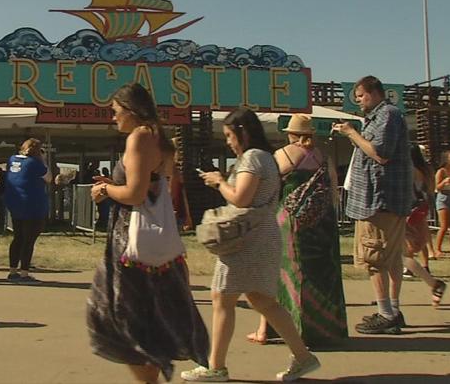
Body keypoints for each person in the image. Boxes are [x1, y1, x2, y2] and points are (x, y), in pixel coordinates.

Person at [183, 108, 321, 382]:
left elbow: (240, 199)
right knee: (263, 301)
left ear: (242, 133)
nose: (228, 141)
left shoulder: (252, 158)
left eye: (229, 135)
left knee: (222, 297)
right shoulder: (265, 158)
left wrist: (219, 181)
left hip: (246, 240)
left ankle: (215, 367)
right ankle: (303, 357)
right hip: (262, 235)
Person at [88, 83, 208, 383]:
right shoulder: (159, 137)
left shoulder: (139, 138)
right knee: (149, 317)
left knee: (122, 316)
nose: (113, 118)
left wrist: (105, 189)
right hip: (153, 241)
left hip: (131, 242)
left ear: (131, 110)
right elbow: (155, 187)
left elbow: (135, 193)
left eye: (115, 112)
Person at [247, 114, 348, 348]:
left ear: (290, 133)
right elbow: (333, 190)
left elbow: (268, 186)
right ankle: (325, 329)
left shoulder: (283, 155)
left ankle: (274, 329)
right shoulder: (323, 156)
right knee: (323, 275)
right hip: (323, 223)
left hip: (291, 222)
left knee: (284, 273)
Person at [332, 75, 412, 335]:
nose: (358, 101)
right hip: (383, 200)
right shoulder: (383, 116)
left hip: (378, 201)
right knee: (390, 258)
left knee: (375, 258)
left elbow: (380, 154)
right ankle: (392, 309)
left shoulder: (386, 115)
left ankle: (386, 313)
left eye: (361, 96)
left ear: (375, 93)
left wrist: (352, 133)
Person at [403, 144, 447, 305]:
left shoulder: (411, 170)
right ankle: (433, 283)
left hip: (409, 211)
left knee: (401, 254)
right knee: (405, 252)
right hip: (420, 209)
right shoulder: (425, 171)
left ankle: (433, 283)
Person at [4, 138, 51, 282]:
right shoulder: (35, 163)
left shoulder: (12, 160)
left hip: (15, 204)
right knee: (28, 240)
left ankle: (12, 270)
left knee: (18, 237)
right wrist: (43, 159)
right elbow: (49, 178)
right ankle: (24, 272)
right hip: (33, 205)